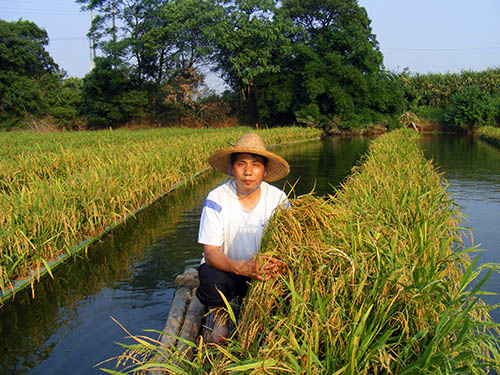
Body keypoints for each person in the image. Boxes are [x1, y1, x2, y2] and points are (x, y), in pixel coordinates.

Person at [196, 133, 290, 342]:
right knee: (211, 277)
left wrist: (271, 266)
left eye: (256, 165)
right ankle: (220, 321)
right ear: (232, 168)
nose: (248, 172)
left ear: (264, 171)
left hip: (263, 271)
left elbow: (288, 246)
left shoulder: (278, 199)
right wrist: (241, 267)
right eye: (241, 164)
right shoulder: (217, 198)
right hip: (228, 269)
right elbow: (211, 253)